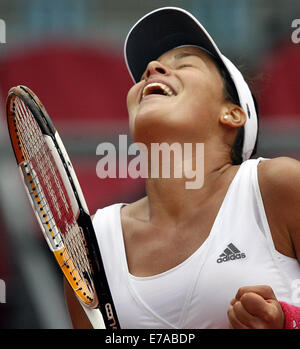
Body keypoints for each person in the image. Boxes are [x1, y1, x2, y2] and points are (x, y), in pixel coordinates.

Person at [64, 7, 300, 329]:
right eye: (148, 71)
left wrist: (288, 322)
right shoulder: (92, 244)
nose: (151, 68)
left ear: (232, 114)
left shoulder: (278, 186)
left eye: (185, 63)